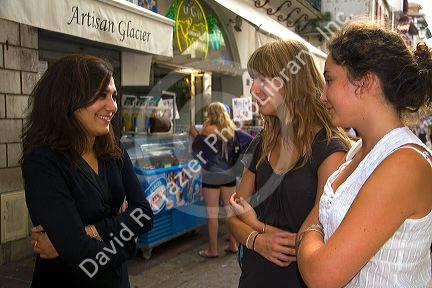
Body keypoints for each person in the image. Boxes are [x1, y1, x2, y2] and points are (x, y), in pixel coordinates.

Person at [296, 22, 432, 287]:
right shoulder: (359, 150)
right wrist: (314, 237)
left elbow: (321, 275)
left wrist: (311, 233)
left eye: (330, 80)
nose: (322, 96)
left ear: (365, 82)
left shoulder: (405, 164)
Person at [21, 55, 153, 288]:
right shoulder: (42, 163)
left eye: (113, 95)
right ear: (68, 99)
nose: (112, 106)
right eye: (101, 95)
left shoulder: (113, 148)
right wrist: (128, 241)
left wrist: (90, 231)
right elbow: (82, 254)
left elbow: (143, 214)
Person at [227, 39, 351, 287]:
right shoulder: (262, 141)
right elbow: (232, 215)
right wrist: (256, 240)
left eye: (263, 79)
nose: (253, 89)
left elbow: (322, 243)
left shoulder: (330, 150)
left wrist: (255, 226)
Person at [190, 102, 252, 258]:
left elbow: (195, 151)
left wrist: (194, 135)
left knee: (212, 215)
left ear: (209, 114)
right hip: (229, 175)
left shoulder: (205, 131)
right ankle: (233, 245)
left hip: (211, 176)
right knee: (231, 212)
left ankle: (213, 250)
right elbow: (251, 140)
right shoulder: (231, 131)